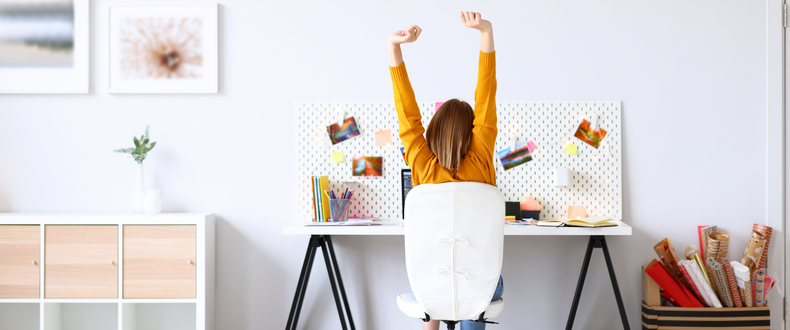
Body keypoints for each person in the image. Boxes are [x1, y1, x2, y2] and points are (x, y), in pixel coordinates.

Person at [388, 12, 503, 330]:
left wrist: (394, 48)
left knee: (431, 281)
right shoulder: (481, 157)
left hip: (430, 289)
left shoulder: (422, 163)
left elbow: (406, 113)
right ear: (473, 131)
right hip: (479, 287)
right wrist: (485, 33)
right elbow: (486, 94)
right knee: (476, 287)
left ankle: (431, 324)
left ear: (434, 132)